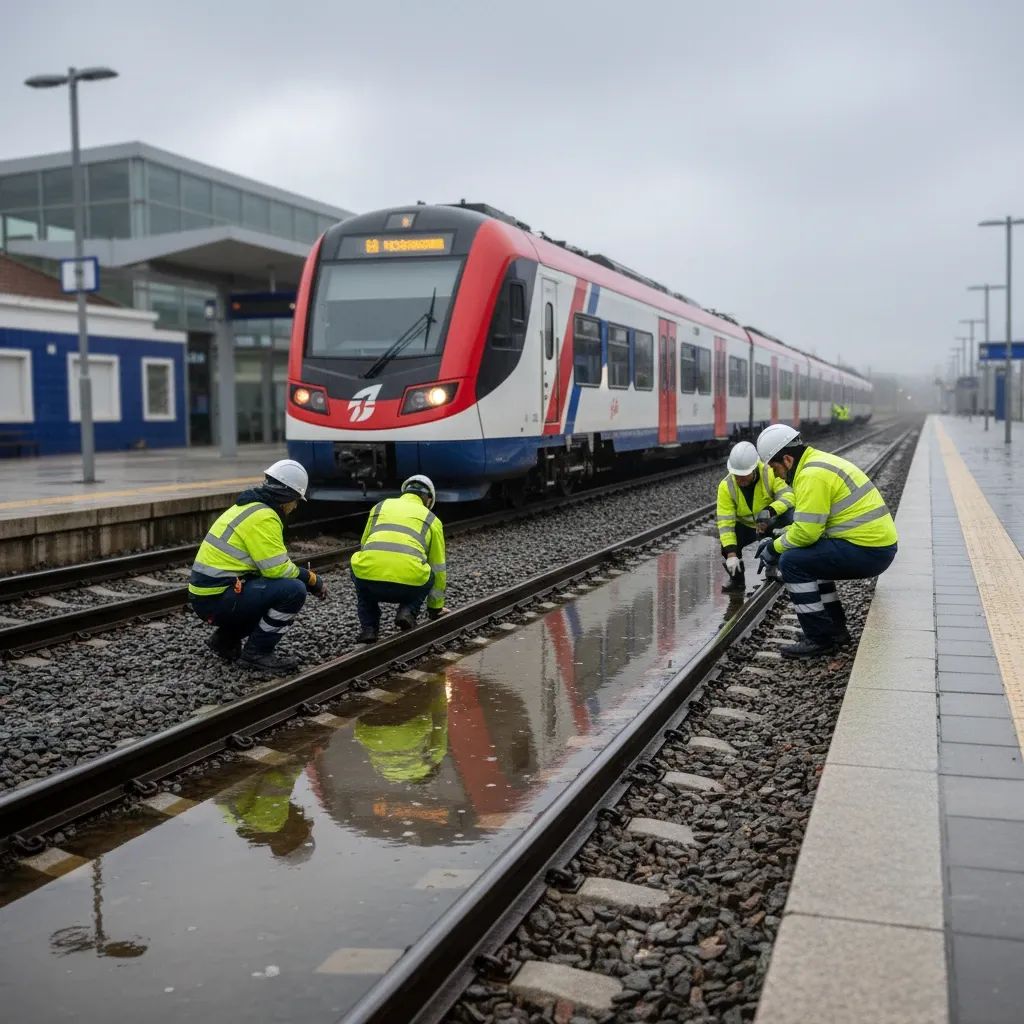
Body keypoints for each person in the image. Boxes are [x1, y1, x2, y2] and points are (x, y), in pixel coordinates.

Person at [754, 424, 898, 658]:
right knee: (810, 557)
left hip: (869, 551)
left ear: (788, 460)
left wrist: (774, 548)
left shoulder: (811, 475)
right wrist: (782, 534)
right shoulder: (816, 464)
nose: (775, 473)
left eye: (774, 466)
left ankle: (819, 639)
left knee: (792, 561)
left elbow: (807, 533)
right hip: (875, 546)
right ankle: (834, 629)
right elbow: (813, 524)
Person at [188, 459, 327, 673]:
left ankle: (224, 640)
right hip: (216, 599)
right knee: (292, 590)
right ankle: (257, 654)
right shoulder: (264, 517)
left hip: (209, 594)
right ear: (287, 497)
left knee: (265, 588)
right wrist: (311, 579)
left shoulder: (250, 506)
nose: (296, 506)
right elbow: (277, 569)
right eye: (296, 500)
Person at [349, 475, 447, 644]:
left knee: (359, 566)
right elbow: (438, 567)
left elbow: (364, 545)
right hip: (409, 587)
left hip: (370, 583)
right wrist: (435, 608)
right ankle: (408, 611)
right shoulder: (432, 520)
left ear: (405, 491)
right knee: (430, 573)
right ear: (429, 499)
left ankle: (369, 628)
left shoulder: (379, 507)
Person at [716, 440, 795, 594]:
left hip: (770, 522)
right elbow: (725, 523)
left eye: (744, 475)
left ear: (754, 468)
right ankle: (737, 581)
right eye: (737, 476)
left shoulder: (770, 472)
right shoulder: (726, 486)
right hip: (746, 526)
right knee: (727, 546)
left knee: (789, 517)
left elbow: (789, 496)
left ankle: (774, 570)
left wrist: (770, 511)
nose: (740, 480)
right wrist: (731, 554)